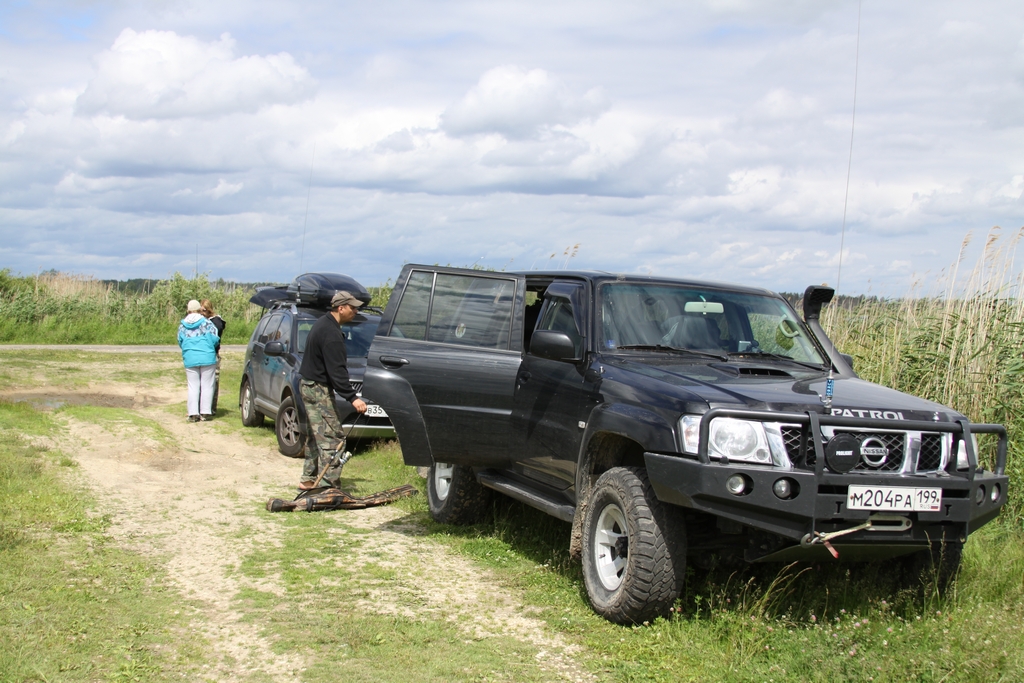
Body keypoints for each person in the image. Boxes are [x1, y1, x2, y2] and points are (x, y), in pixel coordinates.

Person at [297, 291, 367, 490]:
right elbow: (337, 371)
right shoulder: (331, 333)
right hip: (317, 389)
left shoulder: (323, 323)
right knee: (333, 438)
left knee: (315, 435)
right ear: (340, 308)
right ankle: (327, 487)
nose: (356, 311)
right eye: (352, 307)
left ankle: (308, 479)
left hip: (309, 385)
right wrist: (353, 398)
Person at [177, 299, 220, 422]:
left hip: (190, 357)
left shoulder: (182, 326)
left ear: (188, 310)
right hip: (207, 357)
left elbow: (180, 341)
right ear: (199, 309)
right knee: (207, 384)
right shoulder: (207, 323)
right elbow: (215, 338)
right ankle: (205, 412)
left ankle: (193, 413)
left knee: (193, 385)